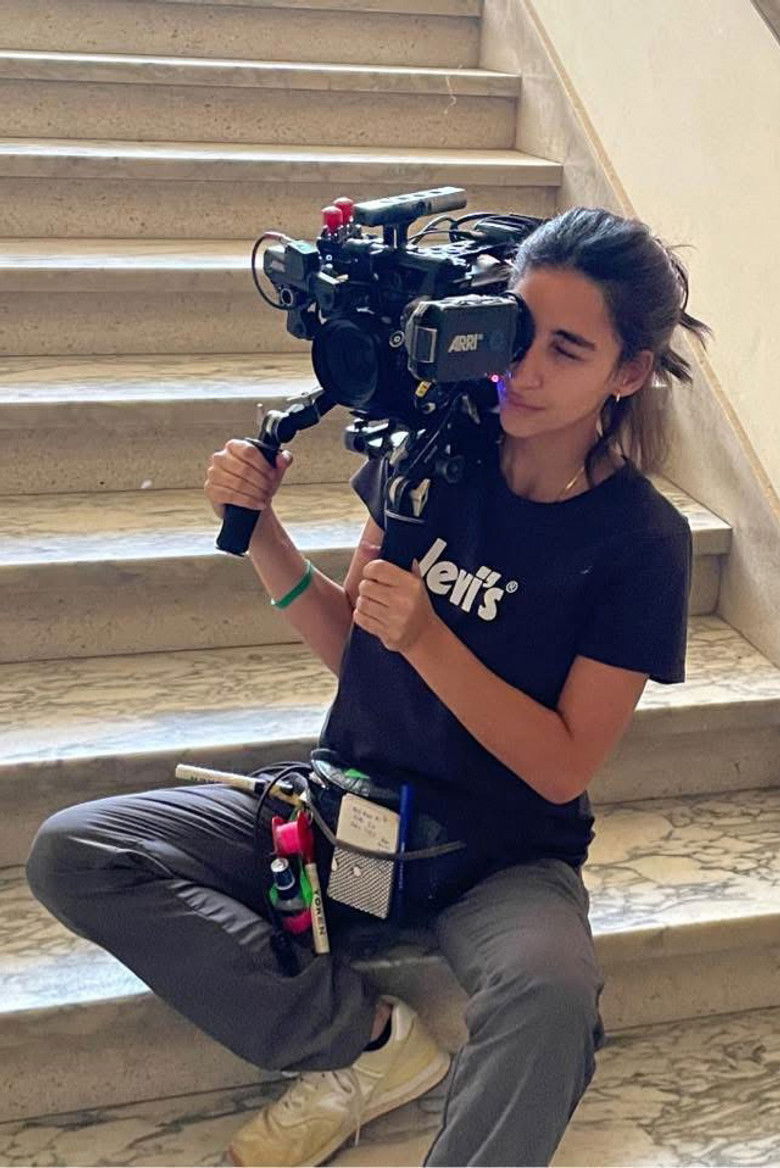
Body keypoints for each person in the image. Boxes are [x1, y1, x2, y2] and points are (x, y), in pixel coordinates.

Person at [25, 206, 710, 1167]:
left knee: (551, 997)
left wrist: (429, 640)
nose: (525, 369)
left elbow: (562, 767)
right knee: (79, 851)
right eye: (515, 331)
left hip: (499, 854)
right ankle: (364, 1043)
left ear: (628, 372)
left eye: (568, 349)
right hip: (351, 806)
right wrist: (261, 529)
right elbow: (357, 646)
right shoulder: (432, 452)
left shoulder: (640, 542)